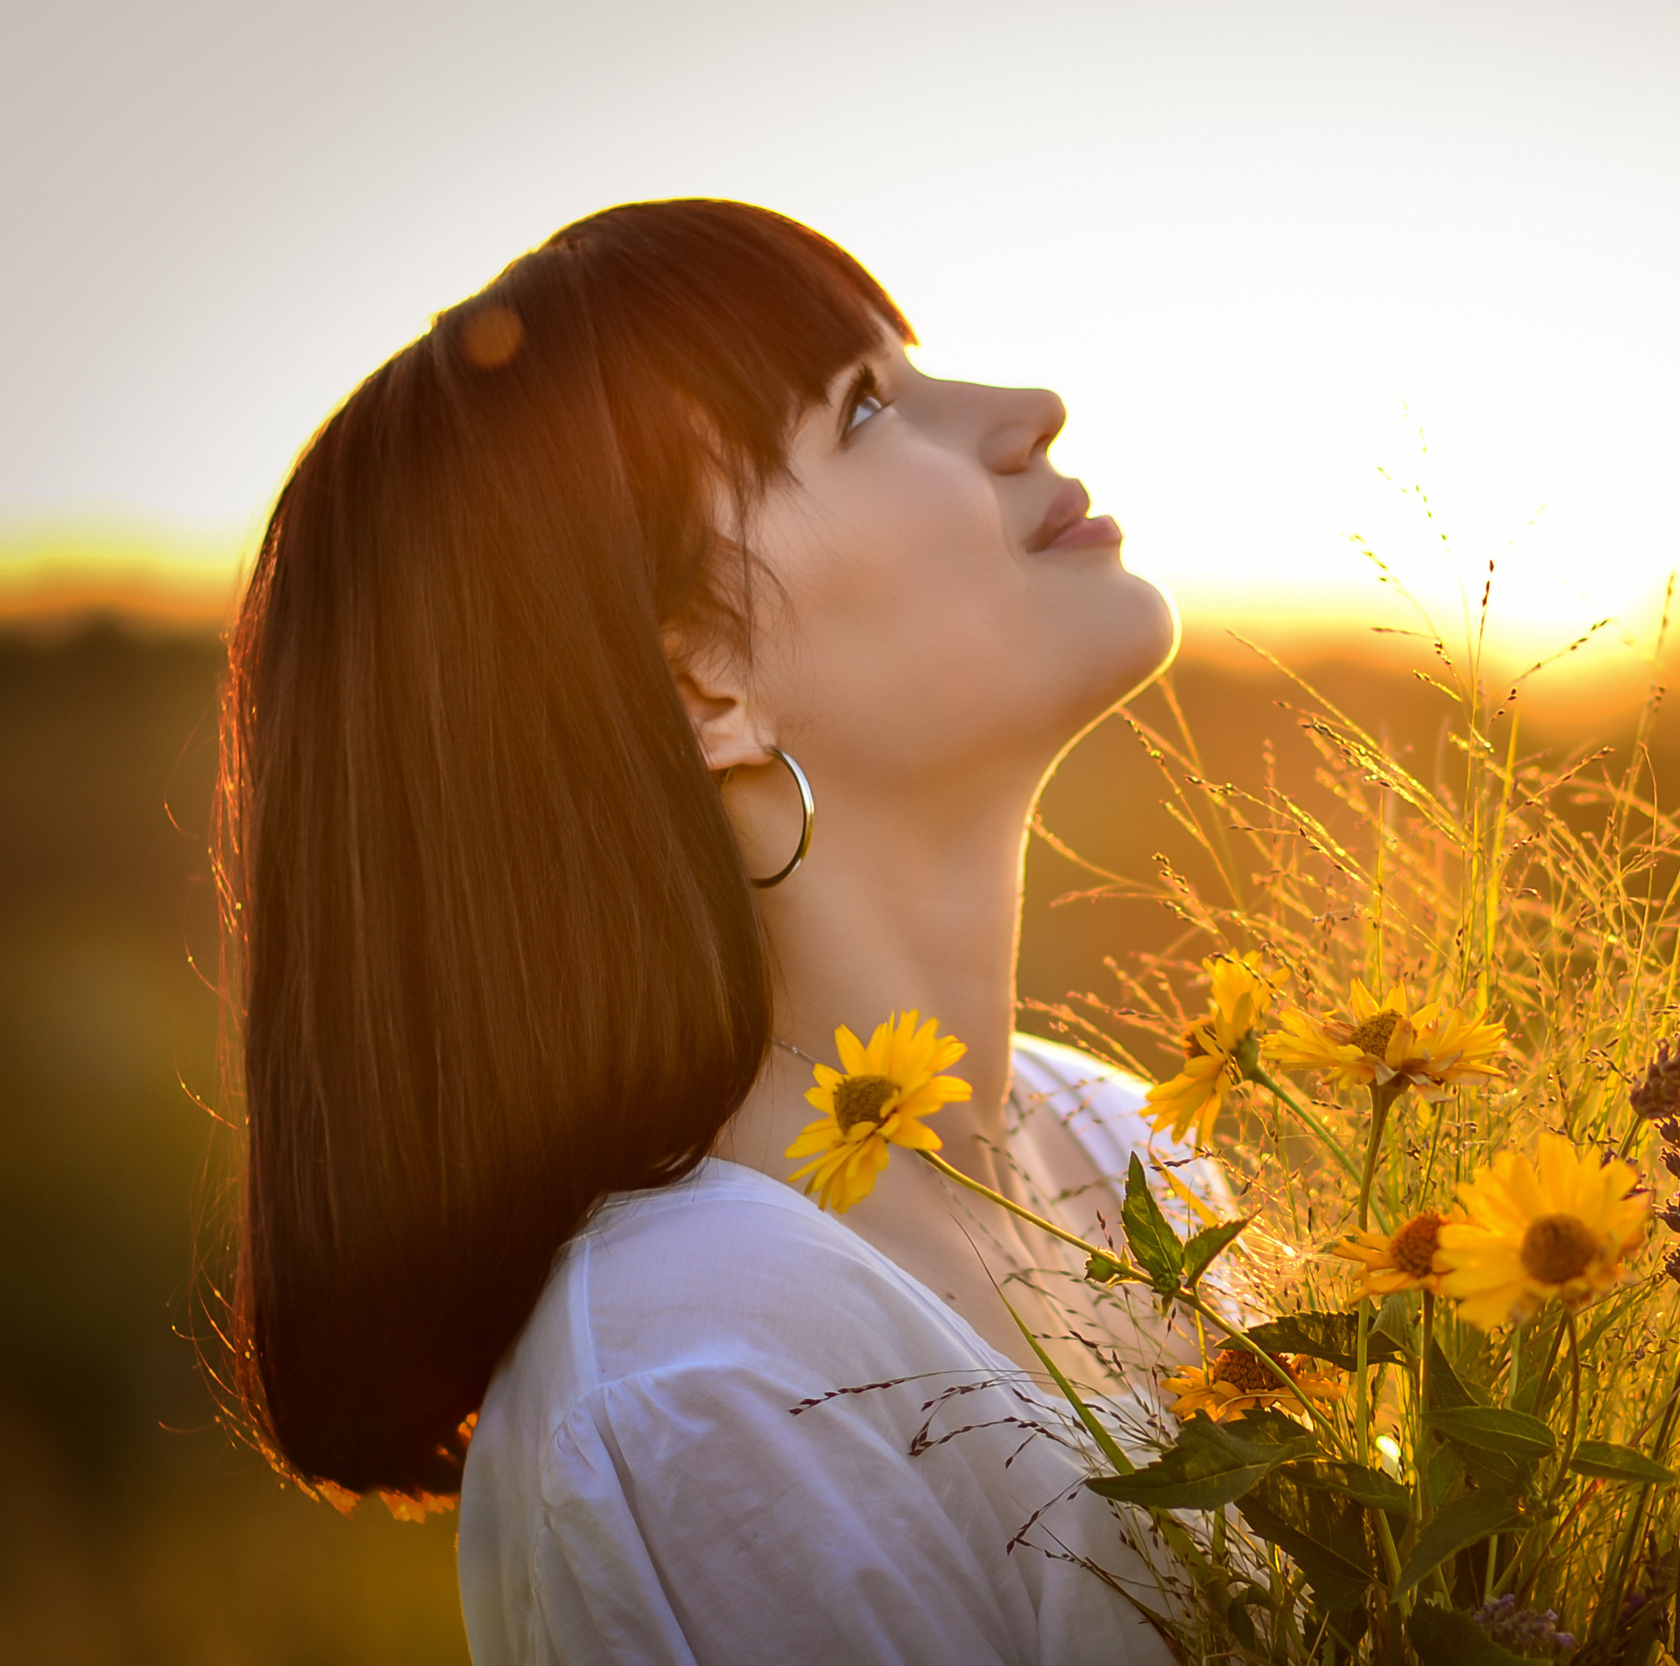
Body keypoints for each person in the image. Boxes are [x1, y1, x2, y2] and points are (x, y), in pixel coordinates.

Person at [212, 199, 1188, 1663]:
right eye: (865, 409)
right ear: (698, 691)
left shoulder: (1114, 1140)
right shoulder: (708, 1368)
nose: (1028, 413)